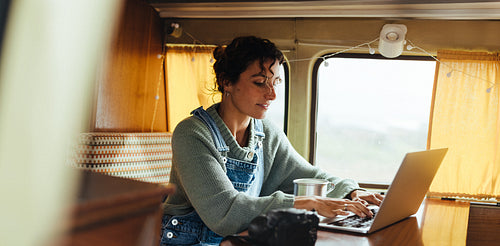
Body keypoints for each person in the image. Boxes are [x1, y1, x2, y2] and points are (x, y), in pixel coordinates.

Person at [160, 36, 384, 246]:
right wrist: (307, 202)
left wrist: (351, 191)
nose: (272, 95)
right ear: (226, 82)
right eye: (260, 82)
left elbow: (309, 176)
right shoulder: (192, 133)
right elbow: (224, 212)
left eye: (275, 82)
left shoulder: (265, 132)